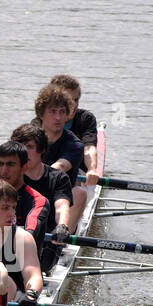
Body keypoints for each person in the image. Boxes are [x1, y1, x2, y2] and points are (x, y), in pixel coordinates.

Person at [0, 142, 51, 253]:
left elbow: (30, 232)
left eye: (10, 165)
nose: (4, 171)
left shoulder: (37, 201)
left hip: (22, 263)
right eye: (0, 164)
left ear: (24, 167)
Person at [9, 122, 72, 269]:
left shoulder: (58, 178)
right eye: (20, 147)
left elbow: (61, 206)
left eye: (29, 147)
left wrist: (62, 225)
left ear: (42, 149)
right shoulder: (10, 178)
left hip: (47, 239)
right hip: (12, 238)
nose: (24, 152)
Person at [50, 74, 100, 228]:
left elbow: (88, 148)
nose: (74, 104)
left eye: (76, 100)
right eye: (68, 100)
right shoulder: (40, 122)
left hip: (79, 176)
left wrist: (92, 169)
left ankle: (62, 242)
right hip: (48, 174)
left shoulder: (85, 119)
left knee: (76, 187)